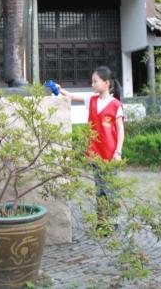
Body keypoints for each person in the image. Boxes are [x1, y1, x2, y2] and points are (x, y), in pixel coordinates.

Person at [59, 66, 124, 230]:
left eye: (95, 81)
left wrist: (118, 152)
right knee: (99, 190)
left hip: (110, 155)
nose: (92, 84)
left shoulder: (116, 104)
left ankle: (113, 222)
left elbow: (121, 131)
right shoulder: (92, 100)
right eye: (92, 81)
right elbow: (72, 96)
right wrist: (60, 90)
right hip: (95, 154)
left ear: (106, 83)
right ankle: (102, 223)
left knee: (110, 189)